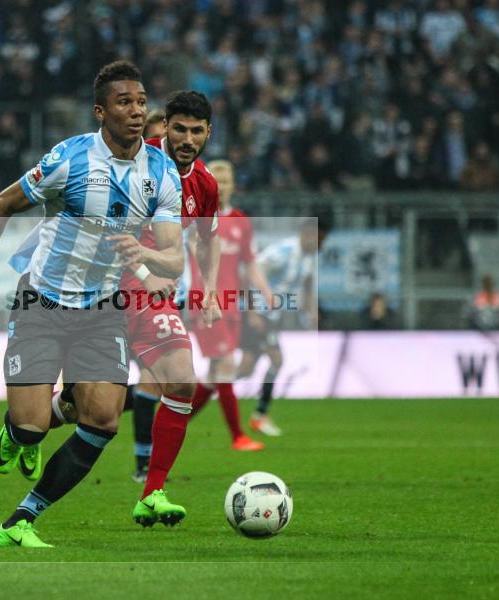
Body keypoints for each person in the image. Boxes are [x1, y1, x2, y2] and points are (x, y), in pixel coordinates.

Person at [0, 60, 186, 548]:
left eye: (142, 102)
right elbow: (1, 207)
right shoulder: (70, 158)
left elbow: (173, 258)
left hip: (103, 308)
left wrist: (145, 255)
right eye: (125, 102)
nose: (137, 111)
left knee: (101, 419)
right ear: (101, 111)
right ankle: (15, 434)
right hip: (42, 302)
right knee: (33, 427)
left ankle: (21, 520)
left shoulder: (162, 171)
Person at [50, 90, 223, 527]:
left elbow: (208, 239)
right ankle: (24, 426)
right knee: (80, 408)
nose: (186, 138)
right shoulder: (137, 164)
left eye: (196, 131)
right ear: (164, 128)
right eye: (178, 128)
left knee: (180, 380)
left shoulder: (203, 183)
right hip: (102, 290)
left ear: (207, 134)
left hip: (151, 297)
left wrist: (209, 291)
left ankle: (152, 491)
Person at [189, 159, 270, 447]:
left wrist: (265, 291)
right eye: (216, 181)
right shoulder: (196, 217)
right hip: (206, 303)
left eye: (226, 182)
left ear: (233, 185)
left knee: (212, 377)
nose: (221, 187)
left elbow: (250, 263)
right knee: (225, 364)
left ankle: (170, 421)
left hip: (232, 305)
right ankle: (238, 435)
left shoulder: (240, 221)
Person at [236, 220, 323, 436]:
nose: (319, 244)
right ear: (306, 234)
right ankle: (260, 415)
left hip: (270, 317)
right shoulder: (282, 252)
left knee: (245, 369)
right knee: (277, 359)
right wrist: (252, 311)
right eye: (317, 238)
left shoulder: (309, 259)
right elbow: (248, 274)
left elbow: (308, 285)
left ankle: (201, 387)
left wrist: (310, 311)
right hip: (257, 315)